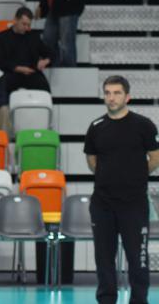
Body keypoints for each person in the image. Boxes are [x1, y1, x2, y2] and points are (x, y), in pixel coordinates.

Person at [84, 75, 159, 304]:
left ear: (127, 97)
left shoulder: (144, 125)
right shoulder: (96, 127)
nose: (111, 97)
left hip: (134, 204)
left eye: (117, 93)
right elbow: (92, 161)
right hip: (103, 204)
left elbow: (155, 158)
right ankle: (106, 300)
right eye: (107, 93)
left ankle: (139, 301)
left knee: (138, 260)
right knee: (104, 259)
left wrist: (135, 175)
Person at [0, 7, 52, 94]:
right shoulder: (1, 37)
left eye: (29, 25)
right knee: (2, 85)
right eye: (24, 24)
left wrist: (46, 61)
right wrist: (17, 68)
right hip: (11, 73)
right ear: (15, 20)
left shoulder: (33, 37)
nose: (27, 28)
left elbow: (50, 53)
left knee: (44, 87)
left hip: (32, 74)